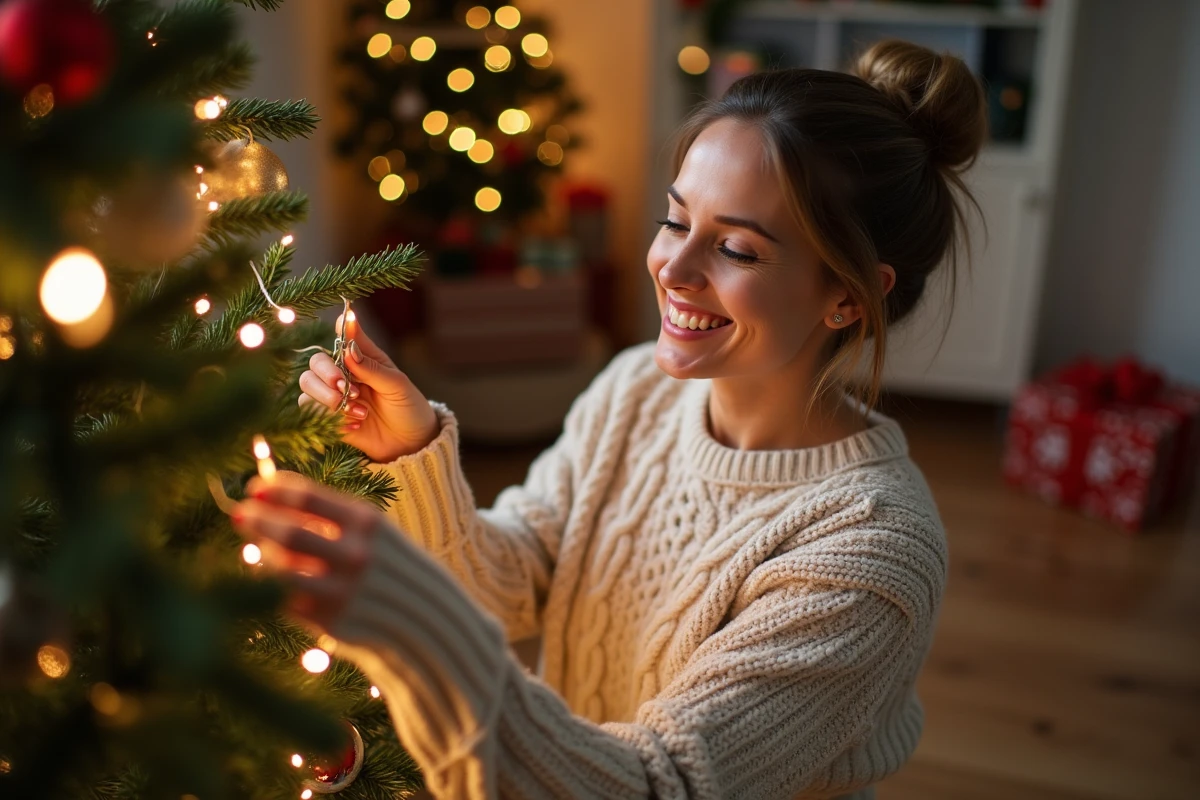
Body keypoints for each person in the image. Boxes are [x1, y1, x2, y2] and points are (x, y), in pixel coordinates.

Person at [232, 38, 986, 799]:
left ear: (849, 297)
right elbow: (512, 578)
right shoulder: (637, 391)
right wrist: (414, 449)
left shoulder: (874, 550)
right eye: (675, 220)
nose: (674, 270)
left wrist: (411, 620)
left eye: (735, 249)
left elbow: (656, 785)